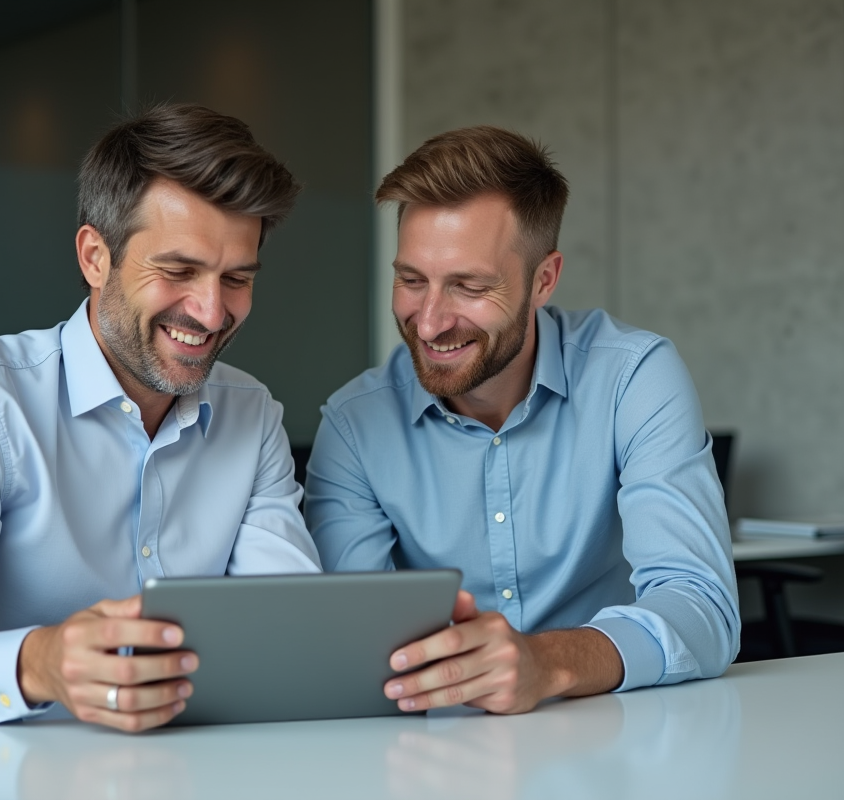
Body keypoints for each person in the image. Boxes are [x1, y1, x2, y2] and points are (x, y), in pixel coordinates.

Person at [0, 104, 321, 734]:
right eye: (178, 271)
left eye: (236, 278)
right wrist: (38, 663)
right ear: (96, 257)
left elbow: (289, 633)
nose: (210, 311)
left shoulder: (249, 414)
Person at [306, 126, 739, 715]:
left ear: (543, 280)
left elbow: (702, 608)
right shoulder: (354, 426)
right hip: (435, 755)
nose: (429, 322)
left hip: (613, 744)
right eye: (411, 281)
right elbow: (349, 647)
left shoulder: (634, 378)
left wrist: (548, 663)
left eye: (469, 286)